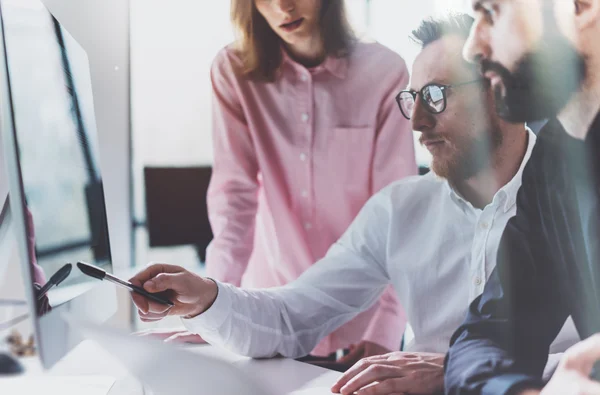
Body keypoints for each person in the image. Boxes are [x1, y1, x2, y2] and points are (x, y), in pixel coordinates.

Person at [130, 14, 580, 395]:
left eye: (437, 96)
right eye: (413, 100)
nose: (418, 123)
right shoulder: (397, 211)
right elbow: (291, 318)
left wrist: (454, 374)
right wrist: (205, 298)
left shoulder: (579, 203)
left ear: (498, 89)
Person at [158, 0, 417, 362]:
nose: (283, 6)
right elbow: (234, 199)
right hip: (266, 318)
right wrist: (208, 309)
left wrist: (386, 329)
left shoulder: (385, 72)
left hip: (364, 327)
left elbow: (400, 212)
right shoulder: (233, 71)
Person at [444, 0, 600, 394]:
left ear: (581, 7)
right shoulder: (554, 158)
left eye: (492, 13)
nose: (471, 48)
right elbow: (488, 333)